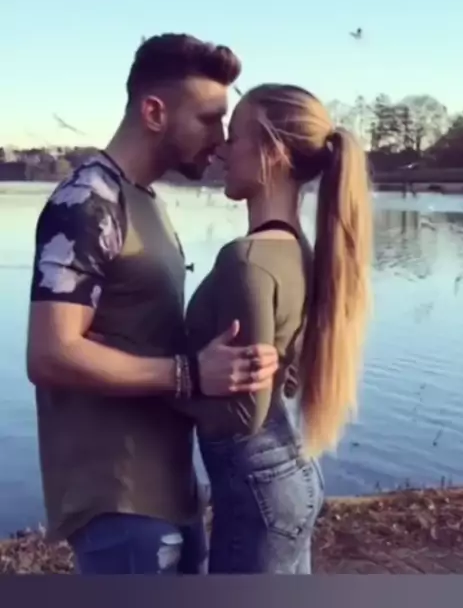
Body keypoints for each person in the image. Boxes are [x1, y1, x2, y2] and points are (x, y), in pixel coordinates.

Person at [25, 34, 279, 576]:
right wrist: (191, 373)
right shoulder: (87, 203)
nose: (220, 139)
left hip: (172, 492)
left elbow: (147, 332)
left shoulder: (144, 201)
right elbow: (50, 354)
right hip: (119, 500)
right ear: (155, 112)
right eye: (209, 119)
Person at [171, 83, 373, 573]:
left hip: (260, 492)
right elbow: (286, 377)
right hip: (287, 473)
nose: (221, 150)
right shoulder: (300, 252)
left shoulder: (247, 260)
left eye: (235, 137)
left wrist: (170, 381)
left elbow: (245, 414)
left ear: (274, 154)